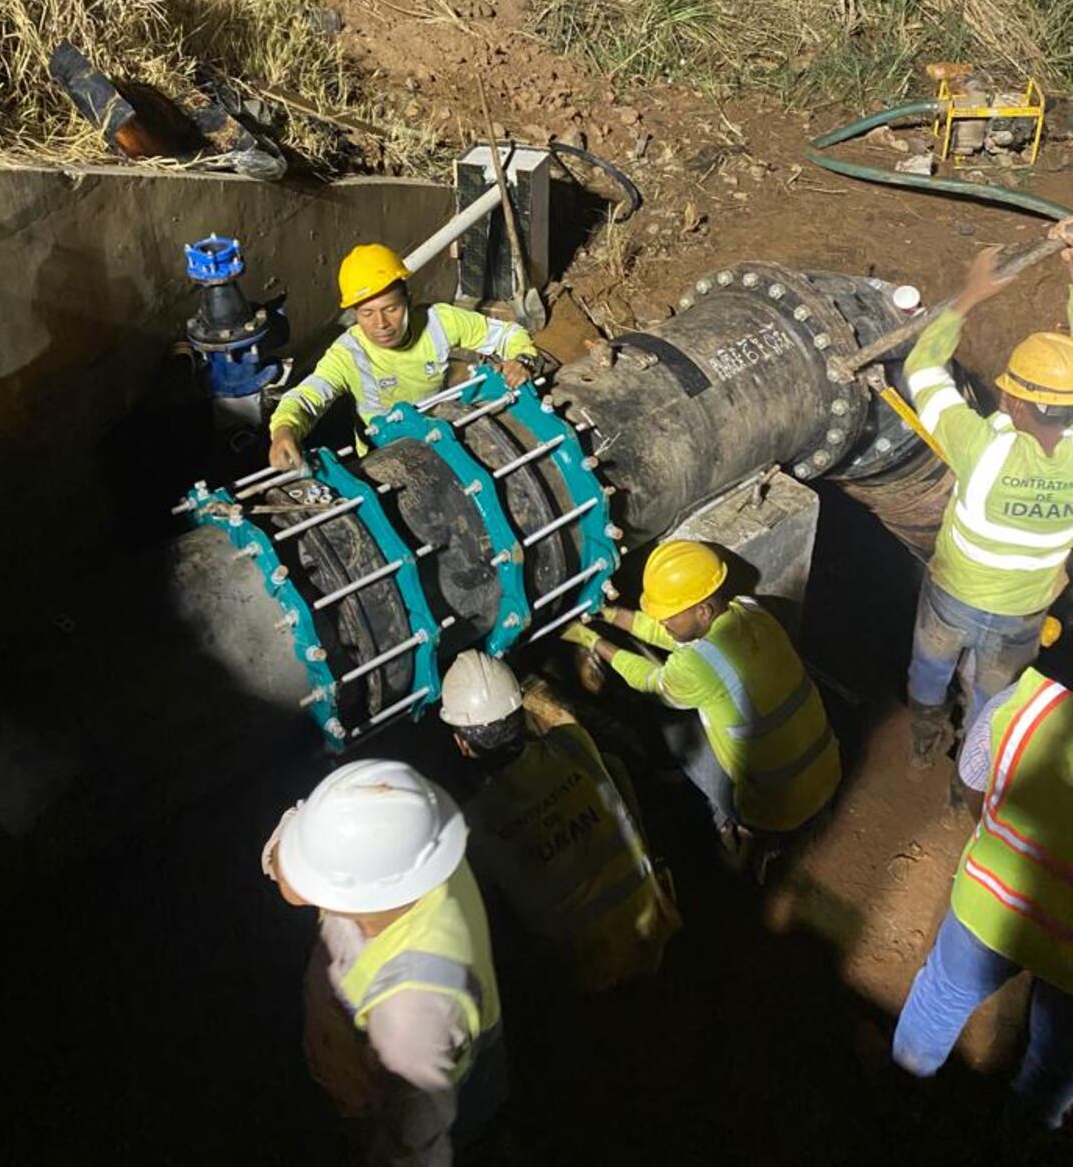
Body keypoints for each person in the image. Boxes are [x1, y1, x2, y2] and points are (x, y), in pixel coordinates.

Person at [261, 758, 505, 1167]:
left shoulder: (411, 1016)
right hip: (404, 1059)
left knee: (460, 1133)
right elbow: (297, 857)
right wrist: (293, 860)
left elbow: (415, 1152)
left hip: (430, 1086)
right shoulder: (410, 830)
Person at [902, 222, 1073, 773]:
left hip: (955, 594)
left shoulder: (979, 445)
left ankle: (924, 730)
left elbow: (923, 369)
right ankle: (971, 778)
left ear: (1012, 400)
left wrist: (970, 295)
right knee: (995, 698)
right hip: (1024, 610)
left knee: (930, 665)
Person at [562, 540, 840, 846]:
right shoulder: (750, 611)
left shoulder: (695, 668)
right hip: (827, 772)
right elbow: (673, 636)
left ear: (704, 610)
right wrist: (606, 613)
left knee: (672, 725)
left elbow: (646, 678)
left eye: (668, 616)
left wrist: (591, 640)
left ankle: (729, 822)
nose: (662, 623)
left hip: (775, 811)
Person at [892, 667, 1073, 1132]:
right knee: (1059, 1055)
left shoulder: (1028, 700)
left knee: (943, 995)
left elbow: (974, 781)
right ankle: (1027, 1130)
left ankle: (902, 1097)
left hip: (993, 901)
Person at [437, 650, 680, 992]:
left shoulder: (475, 825)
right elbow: (563, 720)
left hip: (589, 968)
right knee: (611, 767)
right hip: (654, 926)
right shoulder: (573, 746)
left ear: (462, 744)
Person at [267, 243, 538, 471]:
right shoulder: (348, 354)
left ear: (408, 301)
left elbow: (508, 335)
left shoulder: (438, 321)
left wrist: (521, 359)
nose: (381, 323)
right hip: (383, 461)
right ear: (355, 314)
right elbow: (307, 396)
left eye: (391, 308)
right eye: (367, 313)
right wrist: (284, 429)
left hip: (441, 436)